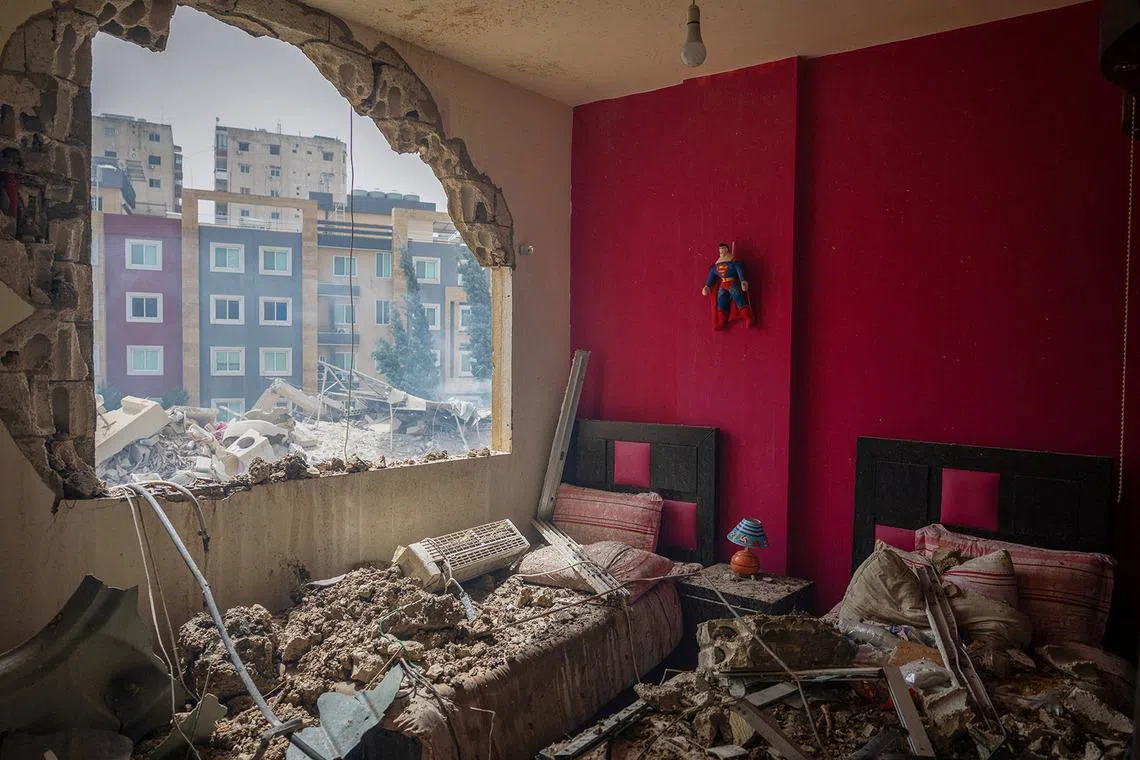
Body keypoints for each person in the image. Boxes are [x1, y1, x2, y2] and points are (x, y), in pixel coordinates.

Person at [702, 242, 754, 329]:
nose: (721, 251)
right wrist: (707, 286)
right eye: (720, 250)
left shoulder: (734, 262)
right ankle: (722, 321)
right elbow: (712, 275)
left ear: (727, 250)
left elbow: (739, 270)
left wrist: (743, 281)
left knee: (739, 299)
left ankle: (748, 317)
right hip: (723, 285)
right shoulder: (716, 265)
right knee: (721, 302)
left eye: (723, 249)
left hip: (732, 283)